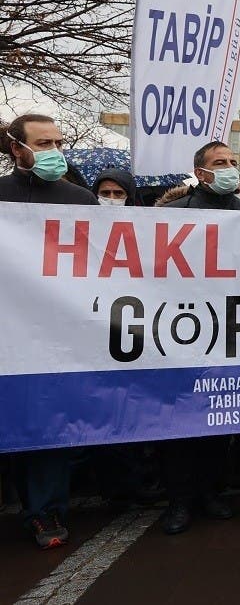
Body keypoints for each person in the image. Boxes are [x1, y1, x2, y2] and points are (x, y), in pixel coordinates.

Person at [1, 114, 96, 550]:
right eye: (43, 142)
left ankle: (47, 511)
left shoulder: (80, 199)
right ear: (17, 147)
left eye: (59, 141)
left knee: (49, 423)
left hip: (56, 332)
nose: (55, 150)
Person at [154, 141, 240, 535]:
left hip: (228, 330)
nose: (228, 168)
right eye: (219, 163)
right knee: (178, 420)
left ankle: (211, 491)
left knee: (219, 418)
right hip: (181, 329)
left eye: (232, 162)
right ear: (201, 171)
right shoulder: (171, 215)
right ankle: (178, 499)